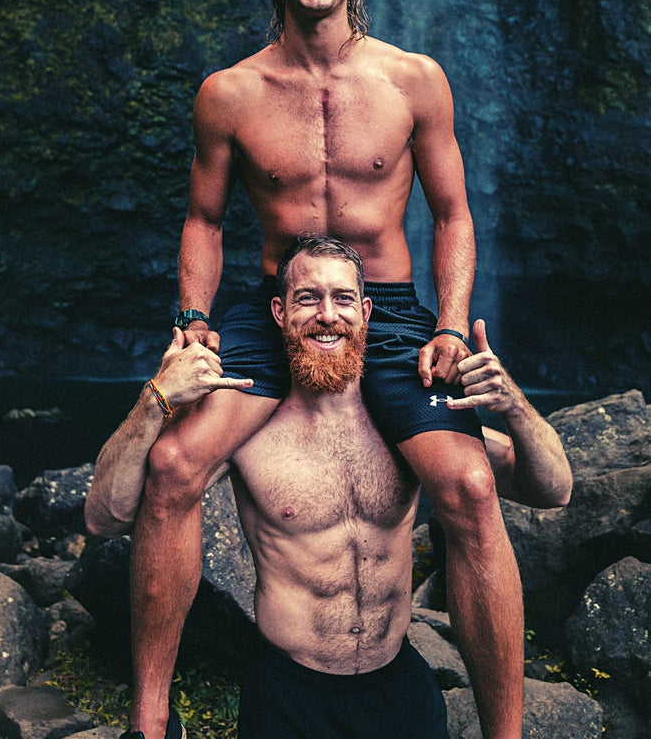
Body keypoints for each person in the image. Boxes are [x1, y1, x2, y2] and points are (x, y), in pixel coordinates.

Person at [120, 0, 567, 739]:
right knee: (175, 467)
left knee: (472, 487)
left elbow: (453, 215)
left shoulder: (414, 80)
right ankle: (149, 721)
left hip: (390, 313)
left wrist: (448, 324)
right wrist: (193, 317)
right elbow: (205, 221)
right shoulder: (230, 92)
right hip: (271, 308)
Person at [85, 236, 572, 739]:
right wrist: (154, 400)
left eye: (342, 299)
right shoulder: (246, 431)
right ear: (278, 312)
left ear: (365, 312)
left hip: (399, 691)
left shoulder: (411, 431)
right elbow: (106, 516)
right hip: (289, 699)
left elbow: (553, 489)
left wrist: (515, 405)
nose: (326, 315)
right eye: (307, 298)